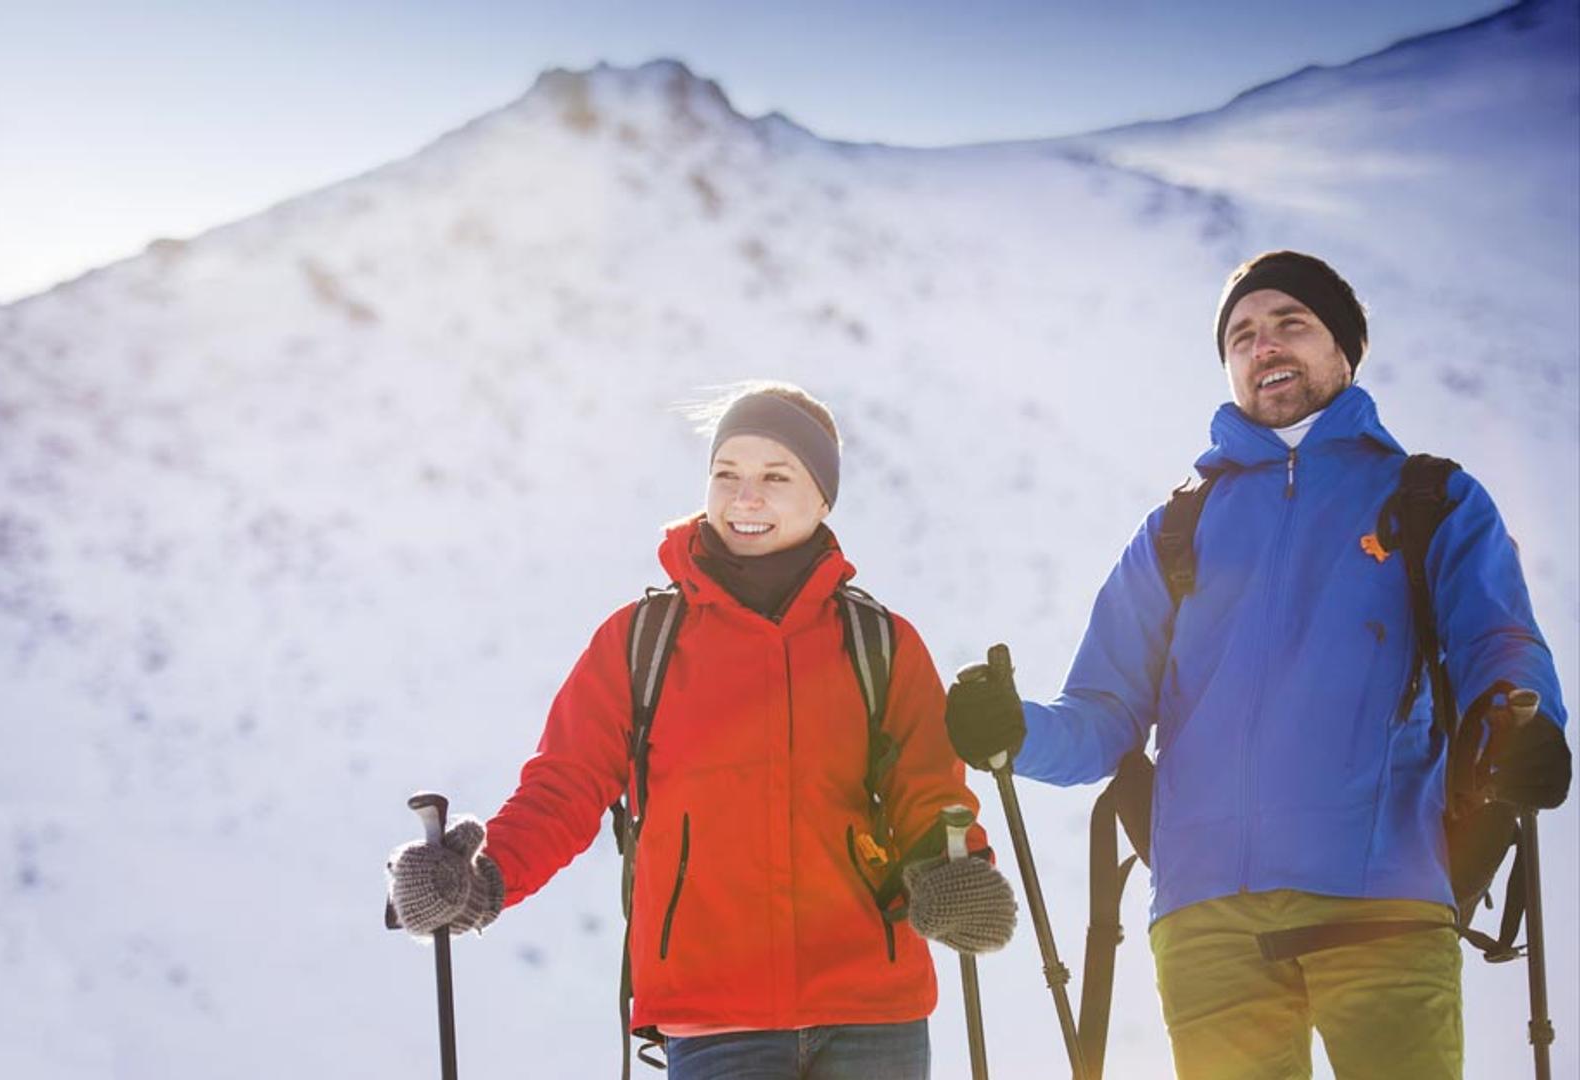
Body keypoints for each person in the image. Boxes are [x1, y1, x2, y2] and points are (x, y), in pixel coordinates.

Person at [943, 251, 1572, 1079]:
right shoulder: (1176, 527)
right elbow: (1102, 715)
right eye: (1241, 334)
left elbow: (1501, 645)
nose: (1263, 346)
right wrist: (1015, 732)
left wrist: (1523, 726)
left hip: (1381, 901)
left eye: (1290, 324)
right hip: (1208, 923)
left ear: (1343, 351)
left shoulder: (1429, 500)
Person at [387, 382, 1015, 1080]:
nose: (746, 499)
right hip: (716, 1019)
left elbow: (926, 791)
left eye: (776, 477)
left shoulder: (879, 644)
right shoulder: (641, 642)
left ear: (823, 498)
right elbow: (564, 785)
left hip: (873, 1012)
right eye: (728, 475)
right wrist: (482, 876)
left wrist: (954, 873)